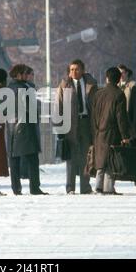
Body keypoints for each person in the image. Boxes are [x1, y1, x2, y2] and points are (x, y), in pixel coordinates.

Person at [55, 59, 97, 195]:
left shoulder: (91, 84)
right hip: (70, 124)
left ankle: (85, 187)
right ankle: (70, 187)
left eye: (77, 69)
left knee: (86, 155)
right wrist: (59, 127)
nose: (74, 72)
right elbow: (58, 106)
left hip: (85, 122)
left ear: (83, 70)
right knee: (71, 157)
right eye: (71, 69)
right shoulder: (64, 85)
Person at [7, 64, 48, 196]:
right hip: (26, 126)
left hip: (13, 126)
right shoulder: (24, 88)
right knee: (32, 158)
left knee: (15, 158)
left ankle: (16, 187)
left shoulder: (10, 88)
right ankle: (34, 187)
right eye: (24, 73)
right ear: (18, 74)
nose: (27, 76)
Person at [92, 67, 132, 195]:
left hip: (99, 131)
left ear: (107, 78)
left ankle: (98, 186)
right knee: (111, 160)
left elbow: (93, 115)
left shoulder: (98, 93)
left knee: (100, 159)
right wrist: (125, 135)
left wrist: (94, 130)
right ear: (119, 79)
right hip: (112, 132)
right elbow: (121, 117)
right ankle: (108, 187)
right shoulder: (119, 94)